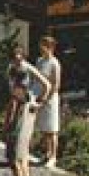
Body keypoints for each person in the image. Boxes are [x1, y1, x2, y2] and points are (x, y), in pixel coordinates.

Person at [3, 79, 41, 176]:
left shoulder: (15, 100)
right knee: (22, 162)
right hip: (25, 135)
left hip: (15, 135)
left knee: (15, 164)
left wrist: (6, 130)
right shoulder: (31, 100)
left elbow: (11, 118)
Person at [33, 35, 63, 166]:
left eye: (44, 46)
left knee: (52, 129)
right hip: (39, 97)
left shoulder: (55, 63)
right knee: (44, 129)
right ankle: (46, 154)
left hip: (50, 99)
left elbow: (56, 84)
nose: (42, 48)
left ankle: (53, 156)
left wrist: (46, 98)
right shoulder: (39, 61)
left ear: (50, 48)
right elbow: (35, 78)